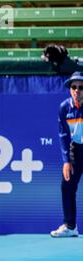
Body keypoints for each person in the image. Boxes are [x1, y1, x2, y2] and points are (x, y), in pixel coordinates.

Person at [51, 71, 83, 238]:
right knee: (67, 185)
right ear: (70, 89)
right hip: (76, 151)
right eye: (74, 87)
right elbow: (63, 135)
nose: (77, 90)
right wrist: (66, 161)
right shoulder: (64, 107)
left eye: (81, 87)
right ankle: (70, 226)